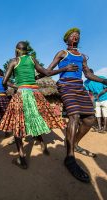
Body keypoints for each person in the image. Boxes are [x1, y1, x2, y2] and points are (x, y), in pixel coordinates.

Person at [0, 41, 76, 170]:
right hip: (35, 93)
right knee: (36, 118)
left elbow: (4, 82)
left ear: (17, 50)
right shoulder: (32, 59)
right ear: (26, 50)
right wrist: (64, 68)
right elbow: (47, 72)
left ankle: (22, 159)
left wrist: (15, 85)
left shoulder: (13, 61)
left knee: (18, 125)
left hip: (21, 94)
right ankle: (43, 146)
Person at [46, 28, 107, 182]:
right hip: (66, 86)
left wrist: (104, 81)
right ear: (67, 39)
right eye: (73, 36)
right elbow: (47, 71)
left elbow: (88, 74)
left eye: (77, 36)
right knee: (74, 116)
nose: (75, 38)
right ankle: (70, 157)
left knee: (90, 119)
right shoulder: (62, 53)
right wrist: (64, 68)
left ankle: (74, 143)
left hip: (79, 87)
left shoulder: (82, 57)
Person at [84, 69, 107, 133]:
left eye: (87, 74)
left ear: (92, 73)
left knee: (105, 113)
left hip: (105, 98)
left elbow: (106, 88)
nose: (86, 76)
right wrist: (91, 99)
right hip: (96, 100)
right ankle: (99, 128)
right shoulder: (86, 82)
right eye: (85, 74)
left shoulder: (101, 78)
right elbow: (90, 92)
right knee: (97, 114)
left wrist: (99, 95)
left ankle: (104, 128)